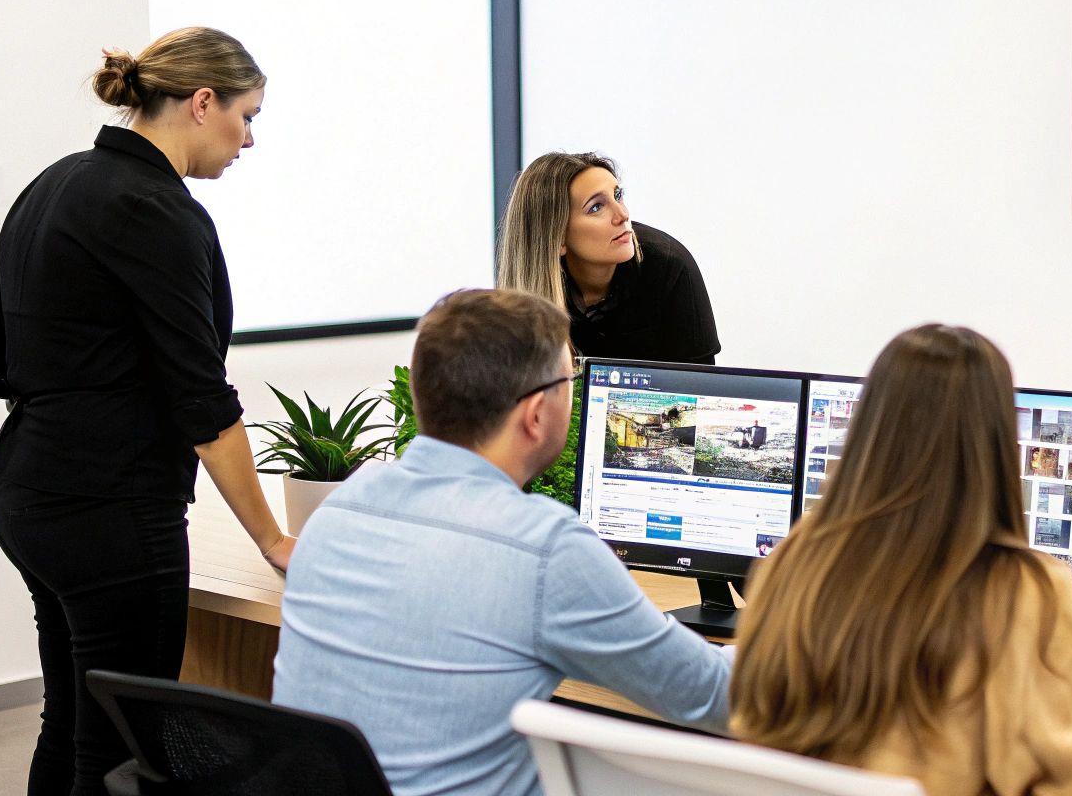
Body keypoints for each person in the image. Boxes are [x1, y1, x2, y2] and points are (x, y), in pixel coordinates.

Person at [0, 28, 294, 796]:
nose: (248, 140)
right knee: (126, 750)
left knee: (74, 722)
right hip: (110, 512)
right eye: (247, 117)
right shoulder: (159, 211)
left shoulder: (56, 183)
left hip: (25, 489)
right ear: (202, 102)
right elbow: (201, 400)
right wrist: (271, 537)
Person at [271, 289, 732, 796]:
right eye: (569, 381)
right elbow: (714, 698)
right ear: (535, 415)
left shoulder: (340, 509)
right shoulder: (545, 549)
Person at [730, 325, 1072, 796]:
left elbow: (751, 725)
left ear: (873, 423)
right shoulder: (1024, 589)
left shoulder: (799, 555)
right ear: (994, 436)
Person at [497, 151, 719, 363]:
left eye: (618, 195)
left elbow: (701, 391)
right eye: (596, 207)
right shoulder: (530, 299)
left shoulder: (670, 266)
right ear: (556, 239)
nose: (623, 215)